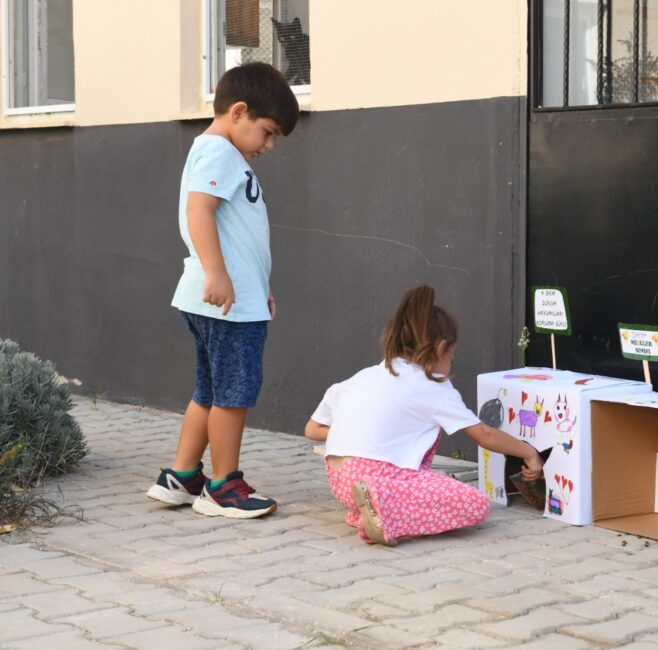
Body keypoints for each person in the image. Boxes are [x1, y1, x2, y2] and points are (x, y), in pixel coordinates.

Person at [146, 62, 299, 518]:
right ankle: (222, 486)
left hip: (225, 298)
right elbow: (200, 212)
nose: (268, 146)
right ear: (238, 112)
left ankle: (183, 475)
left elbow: (242, 235)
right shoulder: (218, 152)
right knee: (234, 393)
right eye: (267, 133)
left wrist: (260, 286)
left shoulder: (223, 153)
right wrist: (217, 273)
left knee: (209, 391)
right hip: (225, 303)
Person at [304, 285, 543, 545]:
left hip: (340, 480)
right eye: (452, 357)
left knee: (424, 485)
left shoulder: (366, 375)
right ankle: (387, 511)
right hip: (375, 476)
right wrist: (529, 452)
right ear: (441, 348)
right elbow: (484, 434)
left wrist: (357, 431)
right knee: (475, 504)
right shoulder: (433, 386)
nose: (451, 364)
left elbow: (312, 430)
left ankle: (366, 511)